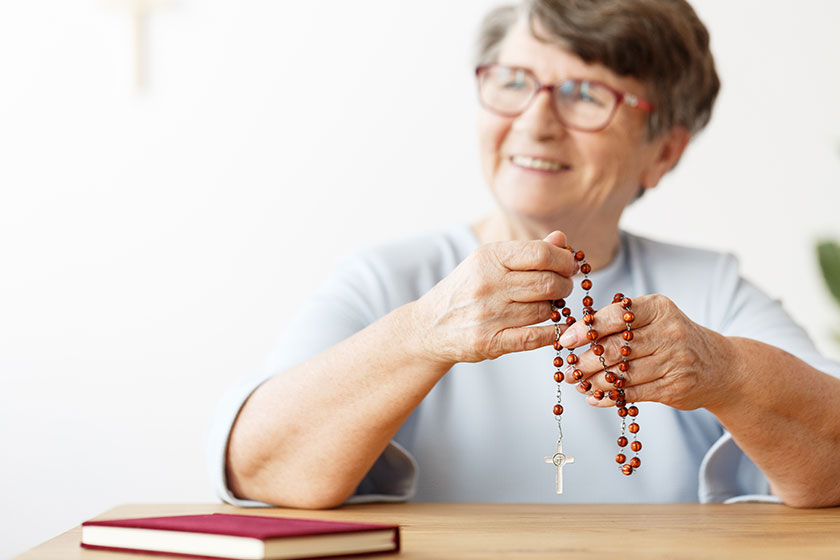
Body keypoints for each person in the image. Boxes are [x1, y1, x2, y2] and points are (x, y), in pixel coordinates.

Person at [207, 0, 840, 508]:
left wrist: (723, 370)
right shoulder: (385, 280)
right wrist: (421, 333)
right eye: (513, 82)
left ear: (664, 151)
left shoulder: (711, 290)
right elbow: (260, 468)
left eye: (587, 94)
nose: (536, 122)